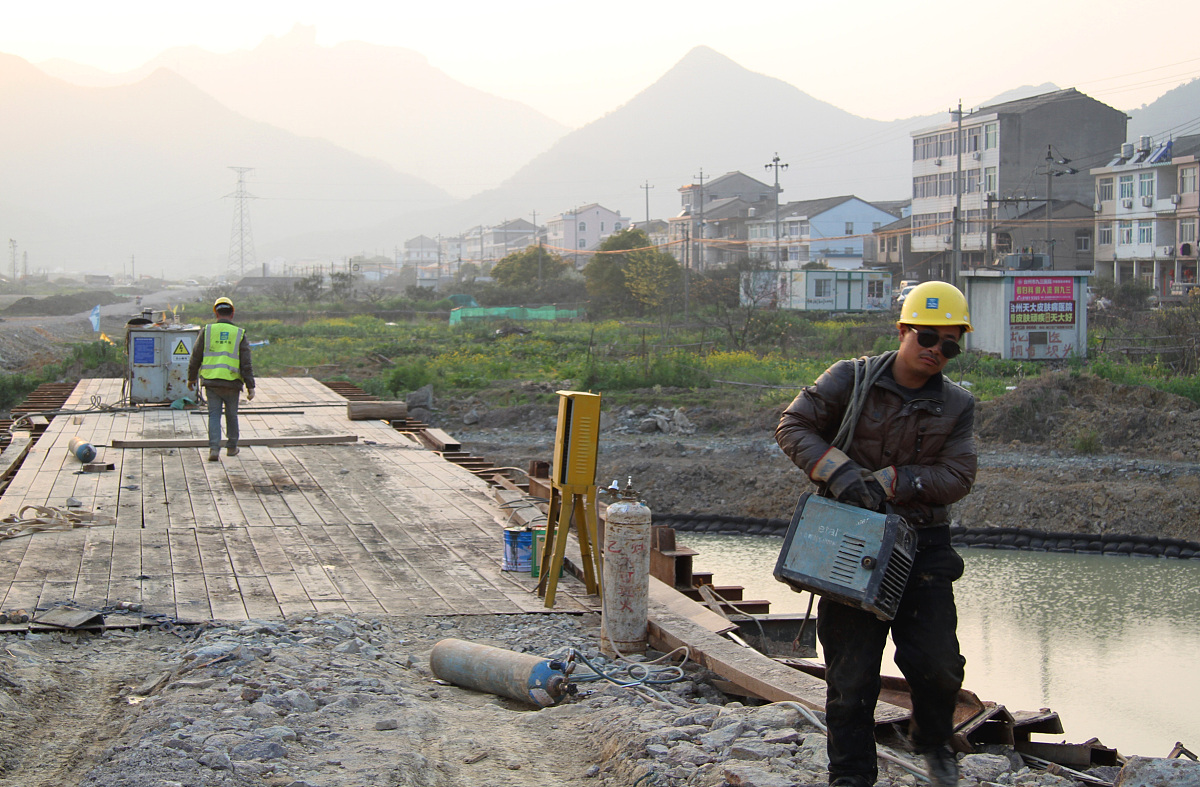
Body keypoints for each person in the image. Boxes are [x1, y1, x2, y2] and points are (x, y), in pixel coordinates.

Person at [775, 280, 978, 787]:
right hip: (850, 539)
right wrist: (839, 473)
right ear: (904, 329)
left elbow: (959, 476)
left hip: (921, 548)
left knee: (937, 667)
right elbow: (793, 425)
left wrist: (896, 481)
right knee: (851, 677)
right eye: (927, 337)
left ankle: (931, 739)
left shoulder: (957, 406)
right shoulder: (851, 378)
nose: (936, 351)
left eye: (949, 344)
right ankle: (850, 777)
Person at [188, 296, 255, 462]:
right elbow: (246, 363)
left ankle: (214, 449)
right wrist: (250, 386)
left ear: (215, 313)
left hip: (212, 382)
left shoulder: (207, 331)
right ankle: (232, 447)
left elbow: (195, 357)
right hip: (232, 383)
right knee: (232, 415)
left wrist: (191, 378)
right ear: (232, 313)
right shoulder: (239, 333)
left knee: (214, 415)